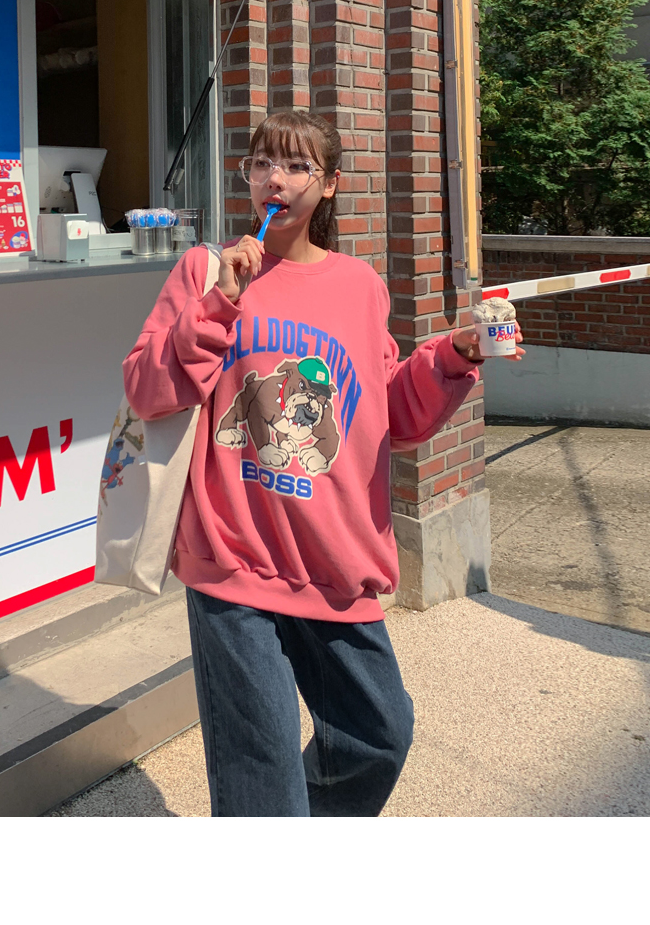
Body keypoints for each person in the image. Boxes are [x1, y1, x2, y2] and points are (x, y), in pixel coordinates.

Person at [123, 110, 524, 817]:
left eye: (296, 165)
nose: (273, 179)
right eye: (260, 163)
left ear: (331, 184)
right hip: (234, 559)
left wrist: (452, 356)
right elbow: (146, 389)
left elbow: (389, 418)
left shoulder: (359, 286)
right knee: (264, 774)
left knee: (378, 736)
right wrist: (217, 305)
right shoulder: (207, 270)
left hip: (334, 562)